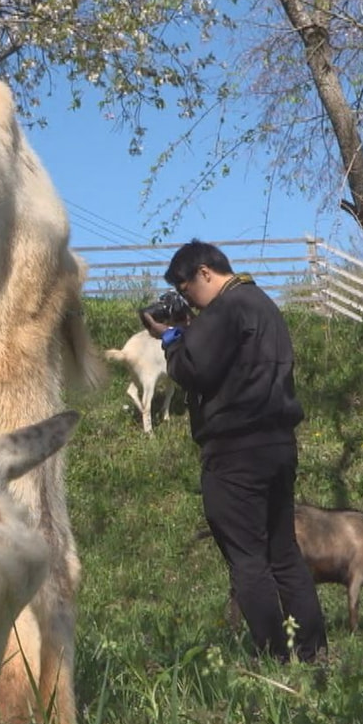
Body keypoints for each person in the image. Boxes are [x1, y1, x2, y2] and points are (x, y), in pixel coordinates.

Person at [140, 240, 327, 663]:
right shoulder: (264, 305)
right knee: (283, 554)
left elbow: (193, 371)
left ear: (205, 273)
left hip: (236, 451)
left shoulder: (228, 308)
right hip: (278, 446)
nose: (187, 299)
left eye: (186, 289)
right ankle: (314, 654)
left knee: (247, 560)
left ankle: (272, 658)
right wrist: (189, 332)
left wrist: (170, 337)